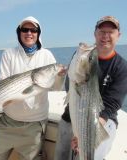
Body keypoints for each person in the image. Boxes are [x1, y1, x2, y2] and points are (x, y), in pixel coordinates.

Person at [0, 16, 66, 160]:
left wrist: (60, 75)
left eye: (33, 30)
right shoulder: (8, 54)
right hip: (7, 122)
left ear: (38, 33)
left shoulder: (47, 55)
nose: (29, 33)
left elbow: (56, 87)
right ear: (19, 32)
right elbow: (2, 85)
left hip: (35, 125)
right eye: (25, 29)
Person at [54, 16, 127, 160]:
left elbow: (112, 104)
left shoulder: (122, 67)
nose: (105, 36)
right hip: (72, 115)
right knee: (61, 155)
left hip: (103, 120)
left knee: (92, 155)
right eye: (102, 31)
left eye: (110, 32)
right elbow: (70, 86)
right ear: (95, 34)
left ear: (118, 35)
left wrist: (86, 133)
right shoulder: (84, 56)